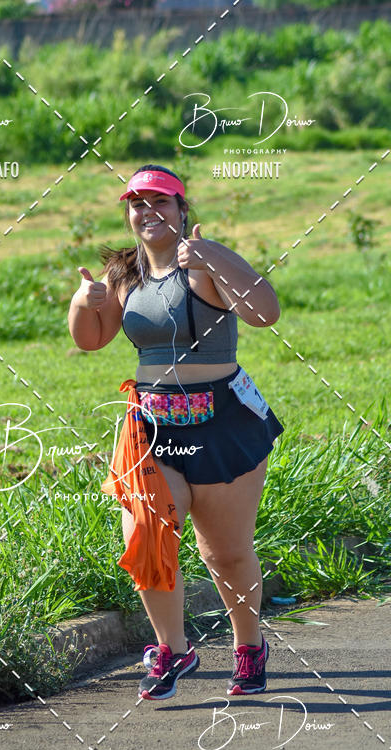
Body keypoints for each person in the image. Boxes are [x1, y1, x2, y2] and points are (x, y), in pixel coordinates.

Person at [67, 164, 284, 700]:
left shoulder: (203, 265)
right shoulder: (125, 275)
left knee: (225, 552)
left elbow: (265, 312)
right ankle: (173, 647)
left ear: (182, 209)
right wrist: (83, 303)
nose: (149, 212)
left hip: (222, 421)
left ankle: (248, 647)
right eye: (138, 204)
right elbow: (92, 340)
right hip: (152, 424)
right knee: (147, 534)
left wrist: (215, 257)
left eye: (161, 202)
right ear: (129, 213)